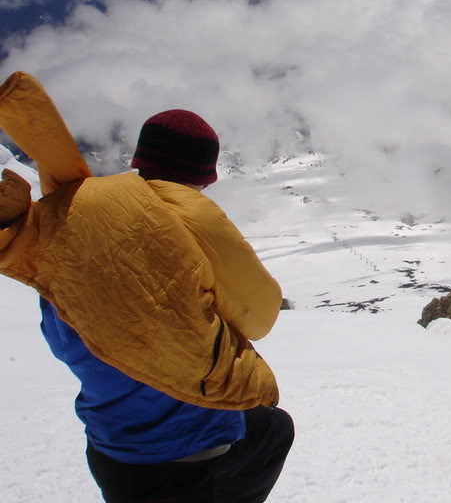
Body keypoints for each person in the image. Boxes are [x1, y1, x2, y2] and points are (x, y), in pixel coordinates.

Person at [0, 71, 293, 502]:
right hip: (192, 455)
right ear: (206, 176)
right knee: (273, 429)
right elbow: (261, 315)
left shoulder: (68, 226)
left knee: (271, 428)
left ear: (139, 158)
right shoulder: (197, 224)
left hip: (111, 449)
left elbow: (62, 335)